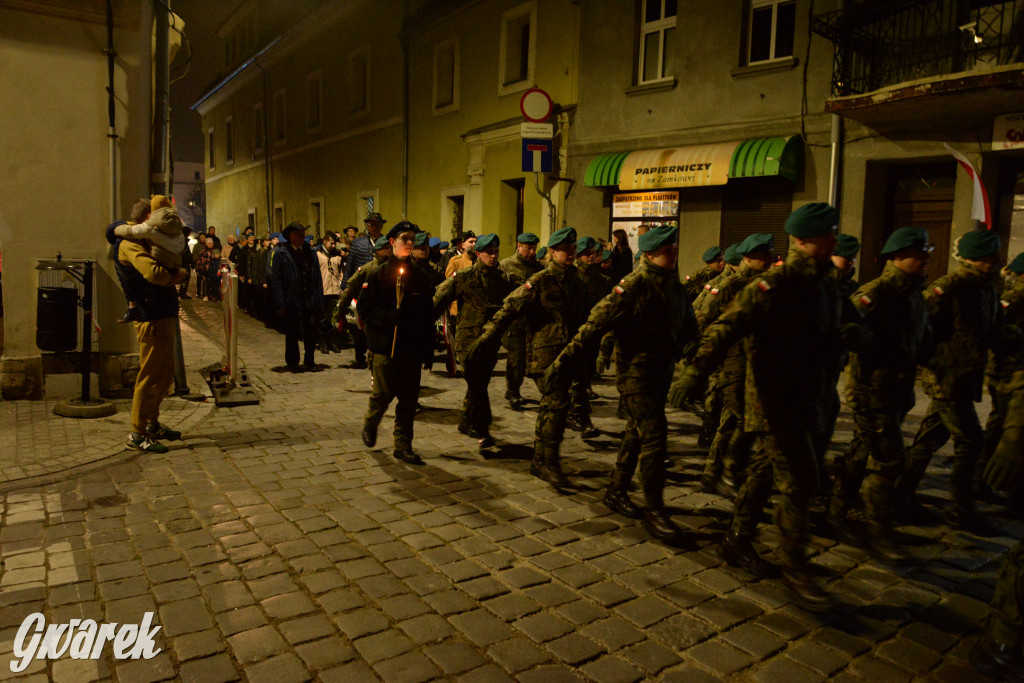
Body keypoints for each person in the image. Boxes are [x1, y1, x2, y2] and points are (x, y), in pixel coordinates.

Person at [669, 202, 868, 611]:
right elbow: (727, 326)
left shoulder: (828, 284)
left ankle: (736, 540)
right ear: (803, 240)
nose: (834, 241)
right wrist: (694, 369)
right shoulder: (774, 285)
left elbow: (846, 324)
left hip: (812, 398)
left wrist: (853, 334)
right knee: (801, 484)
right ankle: (797, 571)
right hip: (775, 401)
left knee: (762, 472)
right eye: (826, 235)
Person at [548, 225, 699, 544]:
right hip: (635, 374)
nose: (673, 253)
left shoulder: (673, 285)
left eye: (674, 248)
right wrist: (563, 362)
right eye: (666, 250)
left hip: (663, 372)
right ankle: (654, 509)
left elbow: (688, 327)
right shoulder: (633, 285)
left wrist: (694, 363)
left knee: (635, 432)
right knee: (655, 434)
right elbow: (594, 324)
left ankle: (616, 491)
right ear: (648, 253)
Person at [827, 227, 932, 561]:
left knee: (861, 451)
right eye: (918, 253)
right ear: (897, 257)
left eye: (925, 252)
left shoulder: (913, 292)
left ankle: (835, 513)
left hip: (897, 389)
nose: (924, 259)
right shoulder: (876, 293)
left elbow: (920, 337)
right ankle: (879, 532)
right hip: (871, 391)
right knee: (888, 461)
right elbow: (839, 330)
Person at [896, 229, 1003, 530]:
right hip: (946, 380)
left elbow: (995, 330)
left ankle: (901, 493)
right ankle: (961, 509)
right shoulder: (949, 287)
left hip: (965, 378)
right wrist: (933, 359)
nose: (994, 259)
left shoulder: (988, 288)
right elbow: (919, 325)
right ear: (973, 258)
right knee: (972, 440)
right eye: (988, 254)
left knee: (929, 438)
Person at [466, 227, 588, 489]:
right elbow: (509, 308)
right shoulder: (541, 280)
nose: (571, 253)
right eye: (566, 249)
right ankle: (547, 462)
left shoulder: (576, 281)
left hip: (567, 355)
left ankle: (541, 460)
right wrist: (486, 339)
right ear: (553, 252)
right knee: (556, 403)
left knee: (554, 406)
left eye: (573, 249)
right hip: (543, 354)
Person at [696, 233, 775, 498]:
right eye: (763, 255)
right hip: (731, 364)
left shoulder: (767, 285)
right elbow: (705, 319)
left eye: (769, 255)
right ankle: (722, 472)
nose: (769, 260)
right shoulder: (730, 285)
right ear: (748, 257)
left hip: (754, 364)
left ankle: (717, 473)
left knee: (734, 421)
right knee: (739, 420)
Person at [113, 199, 189, 453]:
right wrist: (177, 276)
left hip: (162, 311)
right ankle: (137, 432)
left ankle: (152, 423)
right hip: (150, 315)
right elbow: (153, 274)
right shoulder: (129, 243)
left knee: (164, 373)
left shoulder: (146, 239)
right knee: (150, 375)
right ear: (148, 217)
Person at [357, 221, 436, 465]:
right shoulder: (378, 273)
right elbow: (365, 308)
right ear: (392, 242)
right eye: (405, 238)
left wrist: (428, 348)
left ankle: (403, 445)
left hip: (410, 347)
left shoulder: (420, 275)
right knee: (382, 393)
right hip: (385, 345)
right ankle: (371, 422)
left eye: (413, 239)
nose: (410, 243)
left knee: (409, 399)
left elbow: (427, 314)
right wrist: (389, 317)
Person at [434, 233, 516, 448]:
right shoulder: (464, 276)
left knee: (479, 383)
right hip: (468, 340)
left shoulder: (502, 278)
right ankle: (483, 429)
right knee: (478, 384)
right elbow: (438, 298)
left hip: (490, 340)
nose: (493, 256)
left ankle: (465, 421)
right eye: (488, 252)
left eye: (496, 252)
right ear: (478, 253)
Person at [978, 252, 1024, 514]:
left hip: (1013, 374)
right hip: (1009, 374)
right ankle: (986, 478)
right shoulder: (1013, 297)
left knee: (1001, 427)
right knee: (1004, 429)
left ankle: (991, 479)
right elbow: (993, 330)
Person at [568, 235, 611, 438]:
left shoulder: (601, 280)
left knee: (581, 377)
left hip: (591, 334)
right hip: (571, 333)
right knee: (576, 377)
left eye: (592, 254)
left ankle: (573, 413)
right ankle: (580, 417)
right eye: (586, 254)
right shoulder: (570, 276)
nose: (590, 258)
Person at [270, 222, 325, 371]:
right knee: (292, 333)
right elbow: (277, 281)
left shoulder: (310, 252)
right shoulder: (281, 254)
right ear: (290, 236)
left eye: (302, 234)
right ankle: (293, 362)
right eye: (298, 234)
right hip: (291, 300)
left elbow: (317, 278)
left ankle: (310, 361)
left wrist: (319, 299)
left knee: (311, 331)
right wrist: (280, 304)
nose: (301, 237)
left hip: (309, 298)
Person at [499, 232, 543, 408]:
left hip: (534, 319)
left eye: (534, 248)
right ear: (519, 246)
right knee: (516, 357)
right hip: (515, 320)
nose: (532, 252)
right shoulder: (506, 266)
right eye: (528, 248)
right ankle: (513, 390)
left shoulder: (540, 267)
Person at [338, 236, 392, 369]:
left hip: (387, 309)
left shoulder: (394, 267)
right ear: (377, 251)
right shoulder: (368, 268)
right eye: (386, 248)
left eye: (390, 248)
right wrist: (341, 308)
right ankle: (363, 357)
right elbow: (351, 285)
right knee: (363, 336)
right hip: (368, 308)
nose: (389, 251)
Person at [317, 231, 345, 353]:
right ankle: (323, 342)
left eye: (335, 244)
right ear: (325, 241)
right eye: (331, 243)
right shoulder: (317, 254)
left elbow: (341, 272)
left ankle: (332, 341)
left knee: (334, 318)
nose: (333, 246)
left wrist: (342, 285)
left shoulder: (338, 256)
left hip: (335, 289)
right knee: (323, 318)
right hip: (323, 290)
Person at [343, 212, 386, 285]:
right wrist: (344, 284)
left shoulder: (386, 243)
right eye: (372, 225)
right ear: (368, 226)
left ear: (381, 226)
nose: (375, 228)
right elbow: (349, 265)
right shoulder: (358, 243)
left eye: (377, 225)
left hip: (381, 282)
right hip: (362, 282)